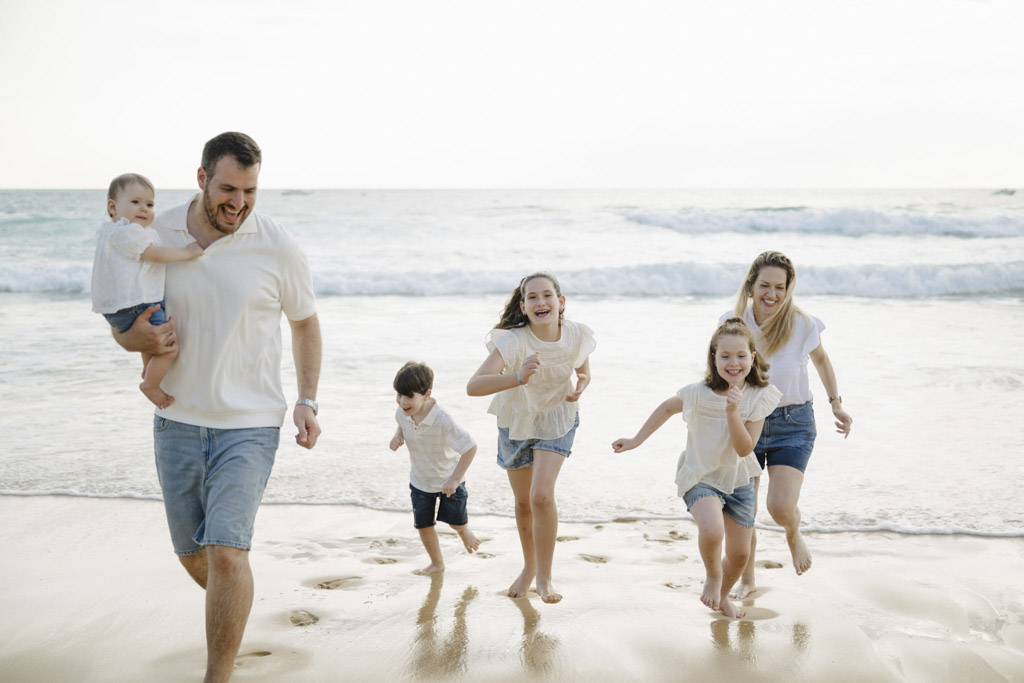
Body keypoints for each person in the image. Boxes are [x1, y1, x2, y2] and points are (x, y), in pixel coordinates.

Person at [111, 132, 322, 683]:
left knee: (226, 552)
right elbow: (123, 318)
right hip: (176, 420)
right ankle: (239, 596)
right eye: (228, 187)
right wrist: (137, 341)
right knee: (193, 555)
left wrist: (306, 399)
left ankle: (217, 676)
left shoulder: (278, 245)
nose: (238, 202)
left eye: (250, 190)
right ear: (202, 178)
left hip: (249, 423)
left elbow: (305, 323)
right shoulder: (155, 234)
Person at [612, 318, 781, 619]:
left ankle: (724, 595)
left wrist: (733, 412)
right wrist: (636, 440)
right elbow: (666, 408)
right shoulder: (698, 393)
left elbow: (744, 449)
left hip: (740, 478)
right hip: (701, 475)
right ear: (713, 357)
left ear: (752, 358)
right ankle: (713, 576)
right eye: (725, 355)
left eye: (741, 355)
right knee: (712, 530)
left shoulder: (758, 396)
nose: (733, 363)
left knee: (741, 555)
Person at [723, 250, 853, 598]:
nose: (772, 294)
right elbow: (721, 370)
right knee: (744, 509)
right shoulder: (733, 323)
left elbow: (822, 361)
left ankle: (793, 532)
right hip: (748, 422)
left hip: (793, 422)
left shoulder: (801, 324)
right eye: (764, 285)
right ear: (751, 286)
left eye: (780, 287)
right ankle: (748, 580)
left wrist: (836, 405)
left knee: (779, 508)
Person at [466, 272, 595, 604]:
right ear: (523, 307)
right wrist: (518, 377)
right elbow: (474, 386)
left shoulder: (576, 335)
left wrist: (581, 383)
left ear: (560, 301)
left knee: (540, 496)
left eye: (548, 295)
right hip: (516, 423)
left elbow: (583, 369)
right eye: (533, 298)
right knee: (523, 503)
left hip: (557, 419)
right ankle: (529, 566)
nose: (541, 302)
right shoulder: (513, 342)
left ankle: (545, 577)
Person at [91, 173, 203, 408]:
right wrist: (187, 252)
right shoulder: (127, 232)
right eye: (136, 202)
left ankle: (147, 369)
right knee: (168, 349)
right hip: (138, 305)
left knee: (150, 345)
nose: (144, 209)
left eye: (150, 204)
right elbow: (154, 254)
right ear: (113, 207)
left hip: (120, 308)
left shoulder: (108, 232)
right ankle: (150, 385)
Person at [389, 361, 481, 575]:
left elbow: (470, 448)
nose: (402, 402)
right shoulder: (402, 411)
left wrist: (454, 480)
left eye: (409, 396)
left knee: (455, 521)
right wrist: (397, 436)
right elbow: (401, 422)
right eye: (399, 395)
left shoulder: (442, 420)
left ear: (427, 394)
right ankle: (437, 563)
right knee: (423, 526)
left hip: (448, 480)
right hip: (420, 480)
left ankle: (464, 531)